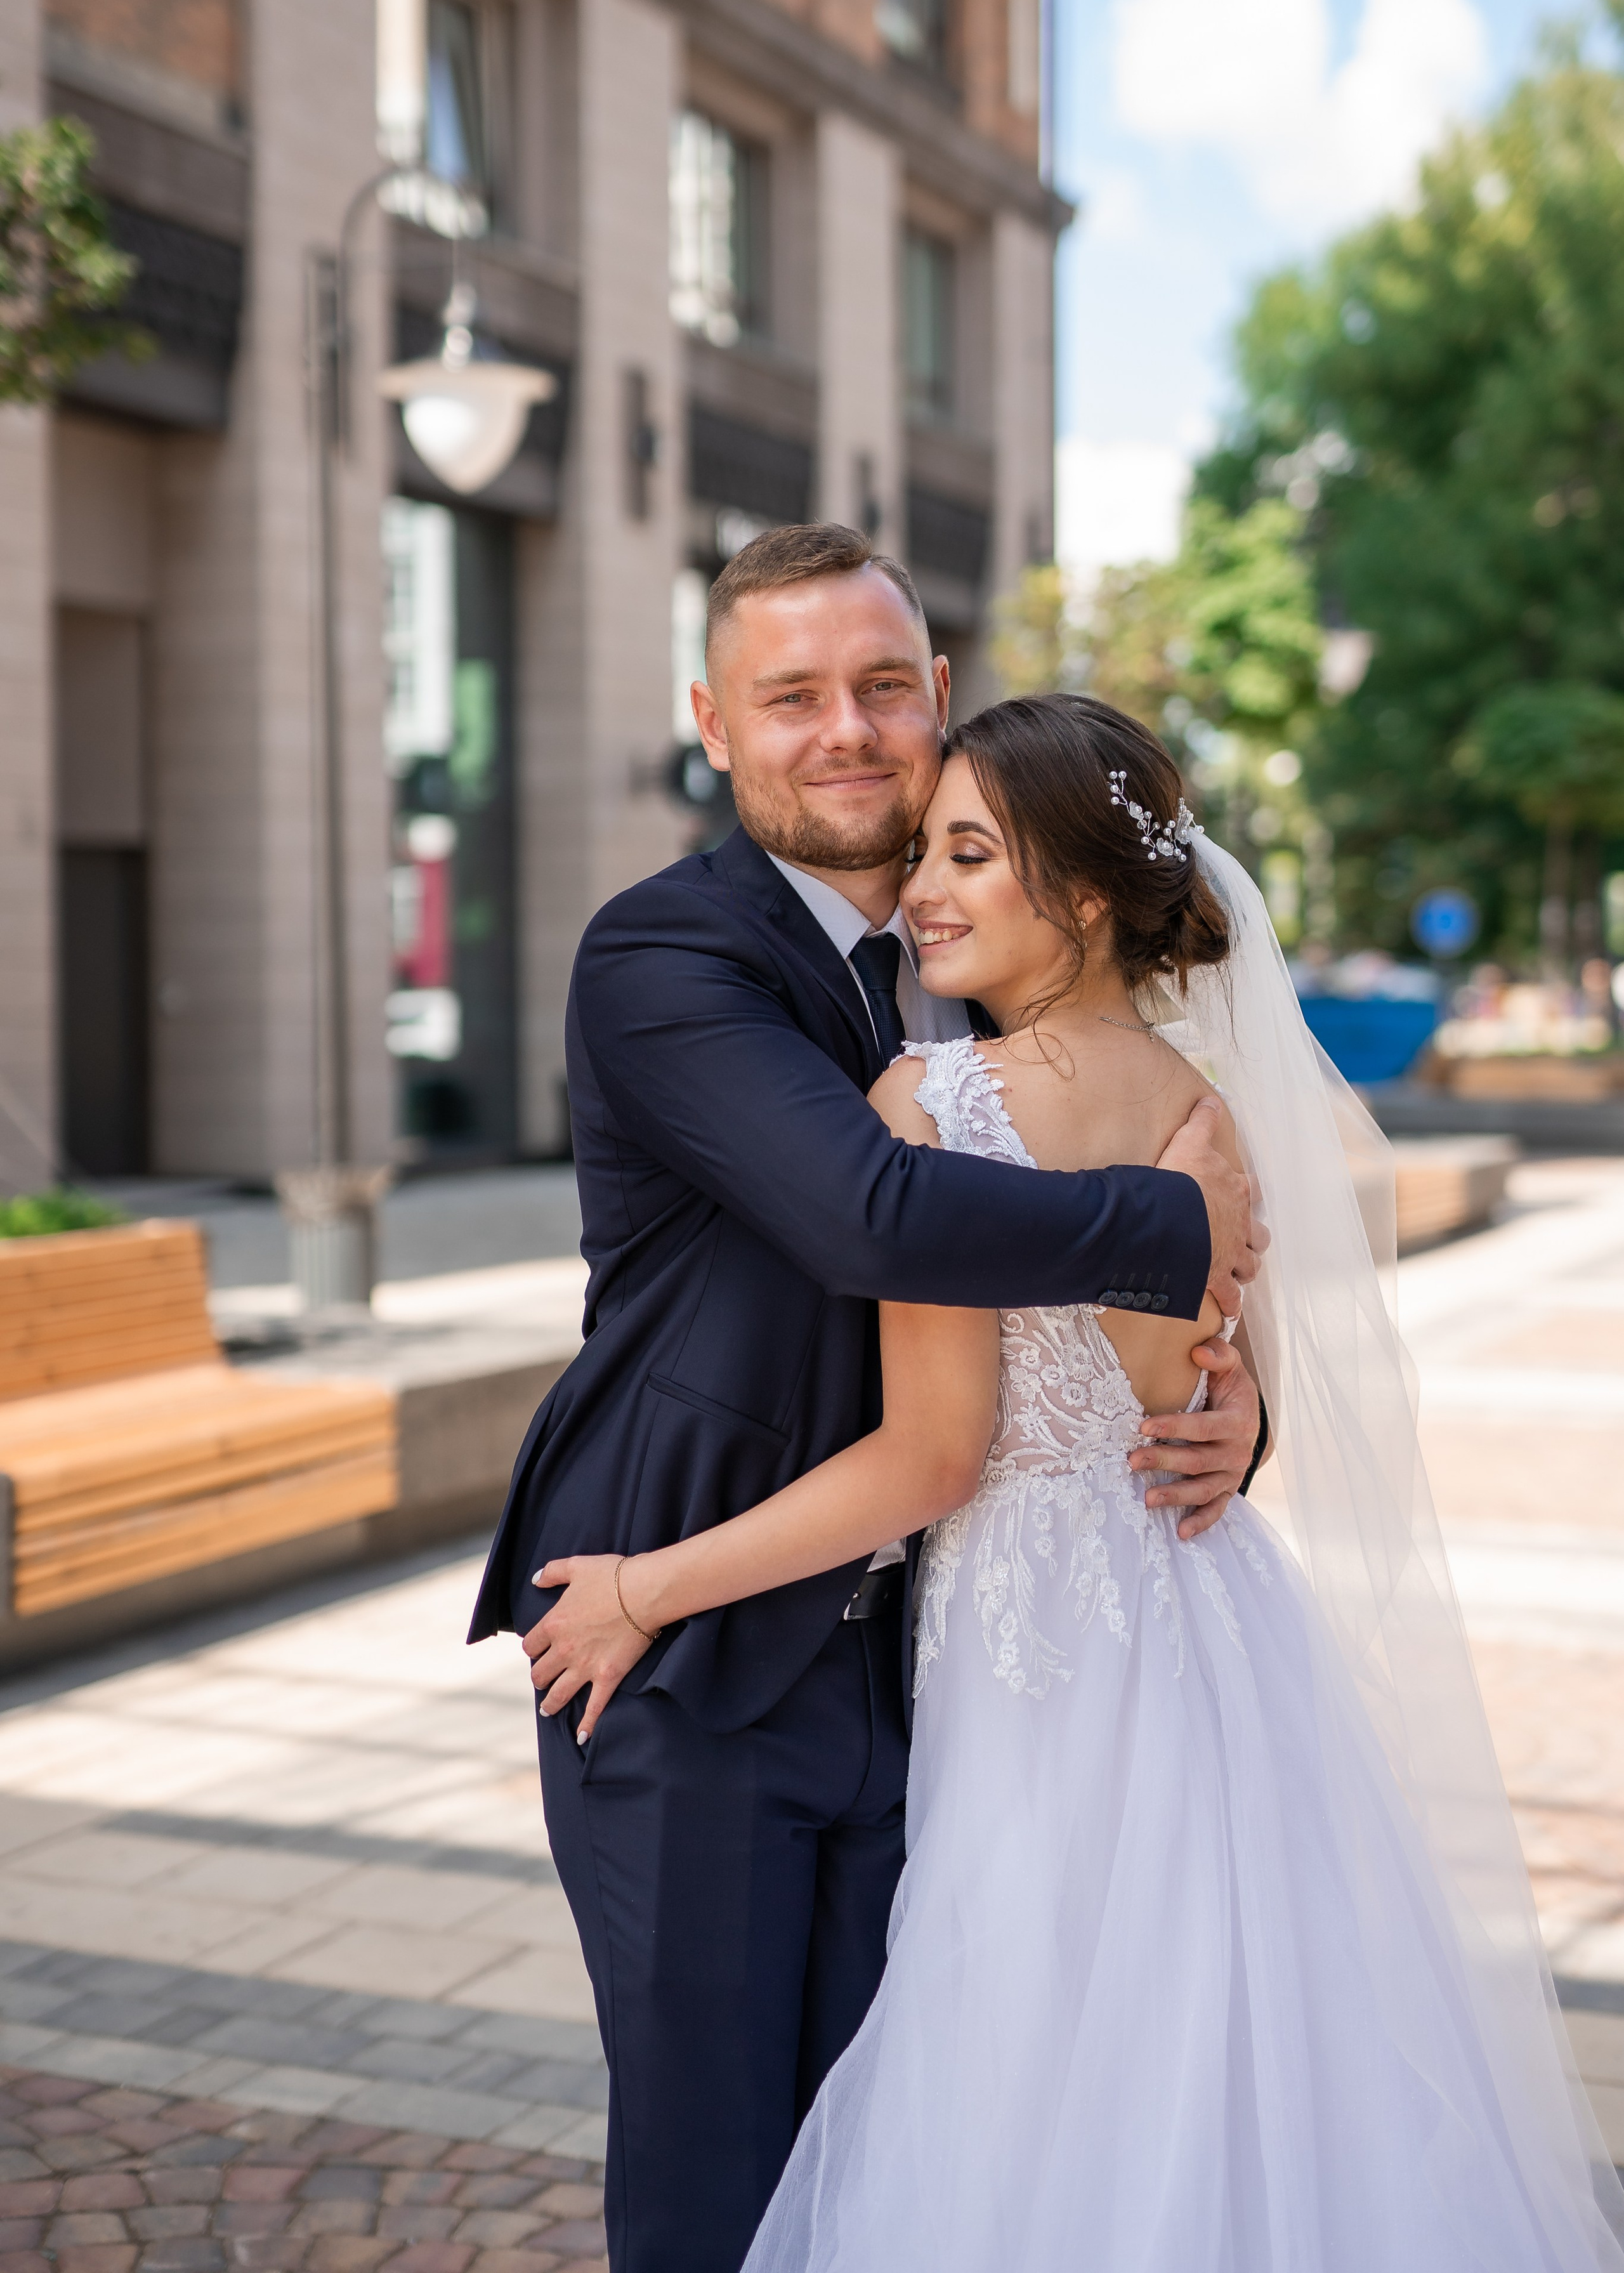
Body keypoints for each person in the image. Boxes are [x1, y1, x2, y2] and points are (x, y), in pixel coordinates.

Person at [533, 696, 1624, 2272]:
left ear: (1089, 893)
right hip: (1216, 1637)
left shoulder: (943, 1104)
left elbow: (930, 1458)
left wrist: (645, 1585)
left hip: (1028, 1664)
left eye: (970, 855)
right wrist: (1223, 1410)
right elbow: (1180, 1378)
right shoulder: (1209, 1109)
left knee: (1030, 2075)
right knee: (1247, 2051)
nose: (926, 889)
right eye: (928, 853)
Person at [468, 526, 1267, 2273]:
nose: (847, 729)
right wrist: (1170, 1226)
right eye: (794, 695)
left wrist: (1230, 1417)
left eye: (884, 687)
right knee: (717, 2179)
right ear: (714, 721)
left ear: (939, 702)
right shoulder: (663, 955)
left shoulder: (964, 939)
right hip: (683, 1644)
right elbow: (870, 1214)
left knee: (894, 2176)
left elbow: (1063, 1330)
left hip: (945, 1665)